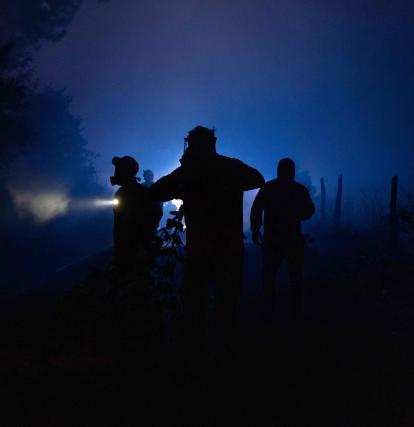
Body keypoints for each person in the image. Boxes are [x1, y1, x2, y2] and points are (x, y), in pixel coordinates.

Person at [150, 126, 264, 366]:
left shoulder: (190, 172)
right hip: (229, 248)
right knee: (227, 305)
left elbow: (156, 192)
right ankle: (225, 358)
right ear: (213, 143)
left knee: (195, 306)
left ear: (193, 145)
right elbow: (258, 179)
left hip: (200, 250)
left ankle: (196, 358)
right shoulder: (230, 167)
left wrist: (187, 171)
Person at [250, 158, 315, 322]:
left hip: (272, 240)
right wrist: (295, 215)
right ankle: (296, 312)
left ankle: (269, 311)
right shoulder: (299, 190)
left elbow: (256, 208)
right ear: (292, 172)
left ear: (279, 170)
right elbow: (309, 211)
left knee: (269, 276)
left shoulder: (269, 188)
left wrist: (256, 229)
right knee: (295, 277)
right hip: (293, 240)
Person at [110, 156, 162, 276]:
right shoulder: (123, 193)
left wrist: (144, 245)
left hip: (136, 248)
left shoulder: (140, 192)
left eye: (119, 170)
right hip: (128, 248)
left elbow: (155, 214)